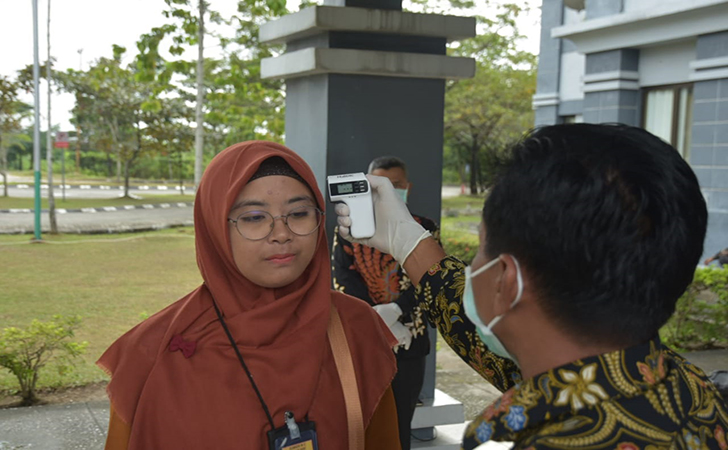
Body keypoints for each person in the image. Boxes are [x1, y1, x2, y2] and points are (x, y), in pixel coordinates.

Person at [336, 124, 728, 449]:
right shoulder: (693, 393)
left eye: (479, 250)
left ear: (506, 280)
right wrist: (408, 242)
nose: (472, 266)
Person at [98, 141, 402, 450]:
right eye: (254, 217)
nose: (282, 233)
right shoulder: (151, 352)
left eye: (298, 213)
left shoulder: (356, 327)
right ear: (215, 228)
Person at [332, 156, 439, 450]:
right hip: (364, 339)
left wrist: (396, 310)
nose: (388, 191)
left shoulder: (424, 229)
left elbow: (429, 279)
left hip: (410, 340)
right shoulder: (349, 231)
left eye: (395, 185)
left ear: (408, 187)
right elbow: (342, 277)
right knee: (364, 420)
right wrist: (374, 316)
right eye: (379, 185)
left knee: (400, 420)